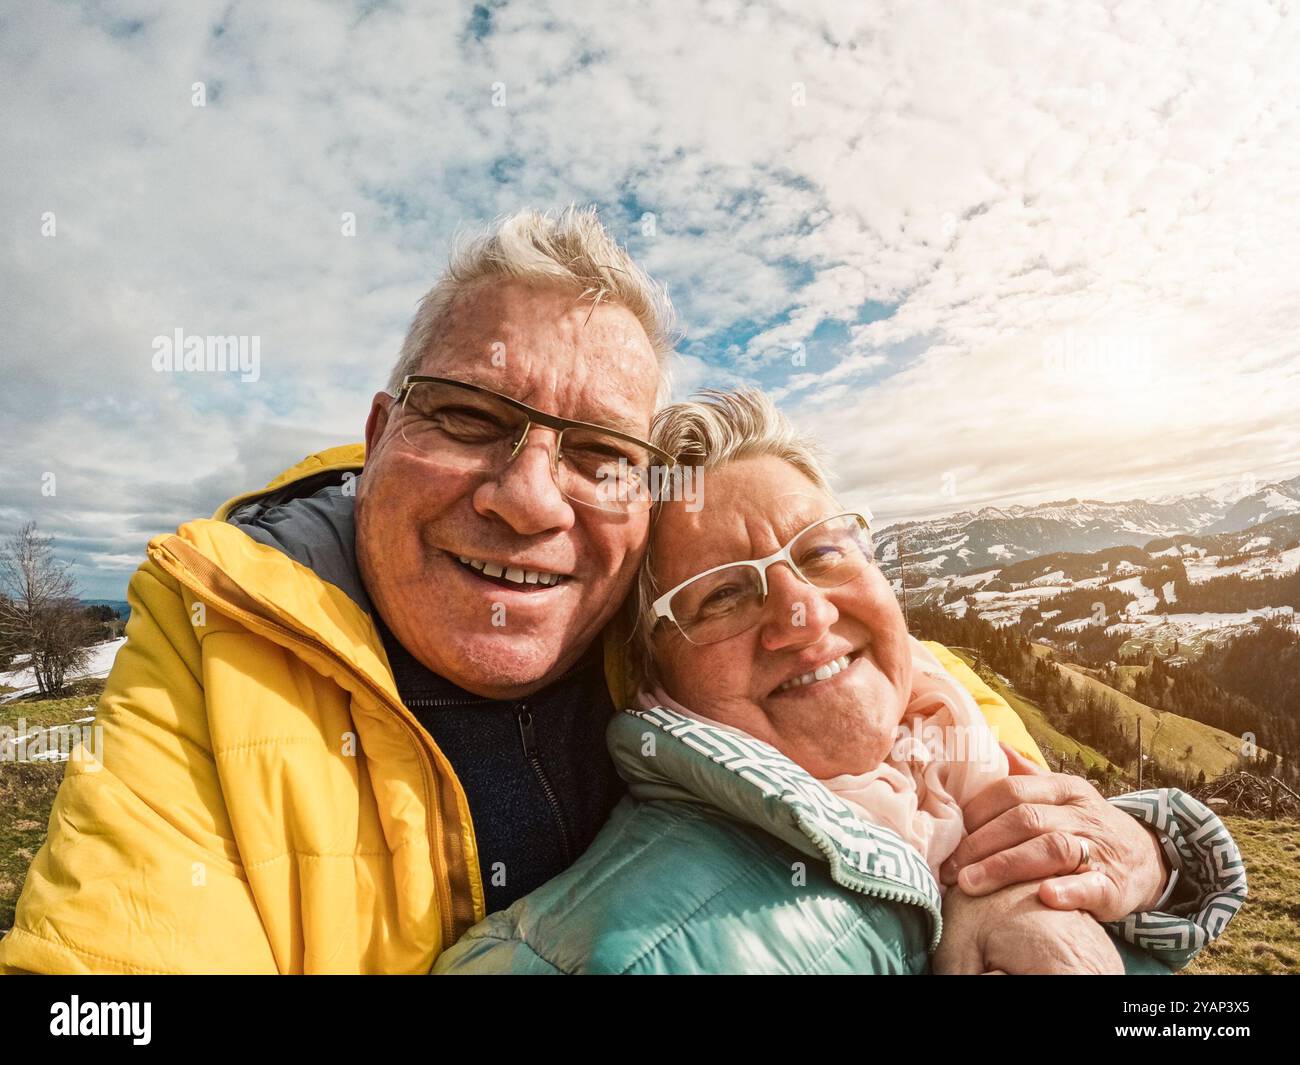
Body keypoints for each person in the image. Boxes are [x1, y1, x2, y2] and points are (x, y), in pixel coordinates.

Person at [435, 390, 1246, 974]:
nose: (803, 613)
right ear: (652, 671)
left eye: (821, 552)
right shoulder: (619, 945)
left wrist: (1155, 854)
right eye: (722, 592)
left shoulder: (946, 747)